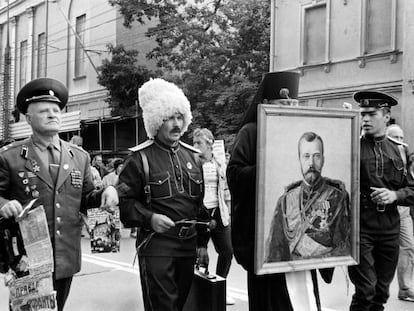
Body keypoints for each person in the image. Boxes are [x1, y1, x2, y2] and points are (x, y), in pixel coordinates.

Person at [0, 78, 119, 311]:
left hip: (65, 255)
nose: (52, 115)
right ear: (28, 118)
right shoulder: (10, 157)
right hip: (27, 259)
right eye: (44, 111)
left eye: (56, 110)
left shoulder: (79, 156)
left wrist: (107, 191)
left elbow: (86, 198)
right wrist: (2, 203)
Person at [227, 71, 334, 311]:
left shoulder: (303, 133)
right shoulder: (251, 132)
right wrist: (267, 165)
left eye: (295, 103)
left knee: (304, 297)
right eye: (285, 103)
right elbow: (235, 175)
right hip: (268, 239)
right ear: (266, 104)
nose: (291, 107)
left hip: (301, 233)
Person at [117, 78, 210, 311]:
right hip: (156, 246)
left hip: (187, 247)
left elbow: (199, 205)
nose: (176, 124)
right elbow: (125, 203)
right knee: (163, 307)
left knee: (179, 306)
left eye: (180, 117)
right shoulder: (139, 159)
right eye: (170, 118)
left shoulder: (193, 157)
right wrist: (150, 218)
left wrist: (202, 244)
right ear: (156, 121)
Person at [348, 91, 414, 311]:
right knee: (366, 290)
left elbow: (412, 188)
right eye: (363, 114)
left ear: (386, 116)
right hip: (360, 227)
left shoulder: (400, 150)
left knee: (381, 293)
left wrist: (395, 195)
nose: (365, 119)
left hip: (389, 226)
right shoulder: (351, 146)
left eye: (371, 114)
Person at [265, 132, 351, 262]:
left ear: (323, 159)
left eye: (316, 156)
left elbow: (343, 245)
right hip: (292, 269)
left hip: (324, 266)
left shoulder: (337, 197)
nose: (311, 163)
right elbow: (275, 248)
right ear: (299, 159)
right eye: (306, 156)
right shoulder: (286, 200)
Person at [193, 128, 235, 305]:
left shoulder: (220, 163)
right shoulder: (193, 163)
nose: (195, 146)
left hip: (218, 212)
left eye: (199, 143)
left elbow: (226, 190)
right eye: (194, 143)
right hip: (199, 213)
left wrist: (228, 210)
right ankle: (201, 291)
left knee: (227, 251)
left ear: (209, 143)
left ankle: (219, 288)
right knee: (200, 254)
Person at [385, 124, 414, 302]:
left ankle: (405, 288)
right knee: (380, 251)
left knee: (409, 246)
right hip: (382, 210)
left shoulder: (406, 157)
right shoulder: (378, 154)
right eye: (395, 137)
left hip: (402, 209)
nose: (400, 141)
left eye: (402, 138)